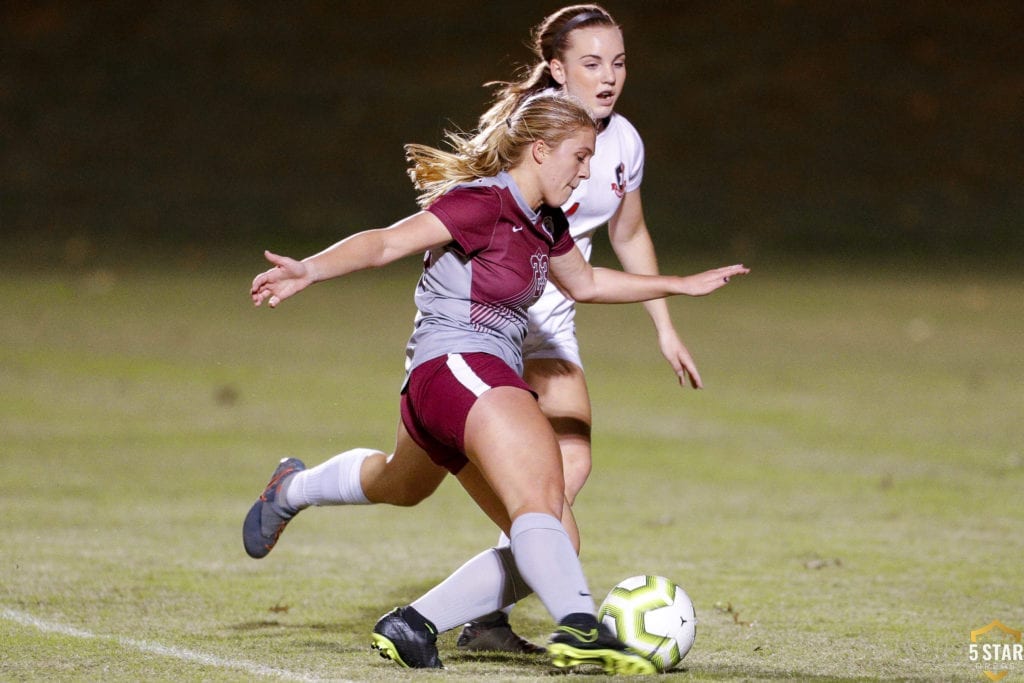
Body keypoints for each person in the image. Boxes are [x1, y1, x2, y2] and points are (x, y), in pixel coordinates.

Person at [245, 92, 748, 673]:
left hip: (447, 390)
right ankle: (581, 626)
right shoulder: (483, 202)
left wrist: (679, 284)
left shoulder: (546, 222)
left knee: (440, 497)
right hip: (459, 366)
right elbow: (387, 241)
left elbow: (584, 283)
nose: (587, 171)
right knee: (542, 498)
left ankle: (392, 600)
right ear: (540, 150)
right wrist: (309, 269)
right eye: (579, 157)